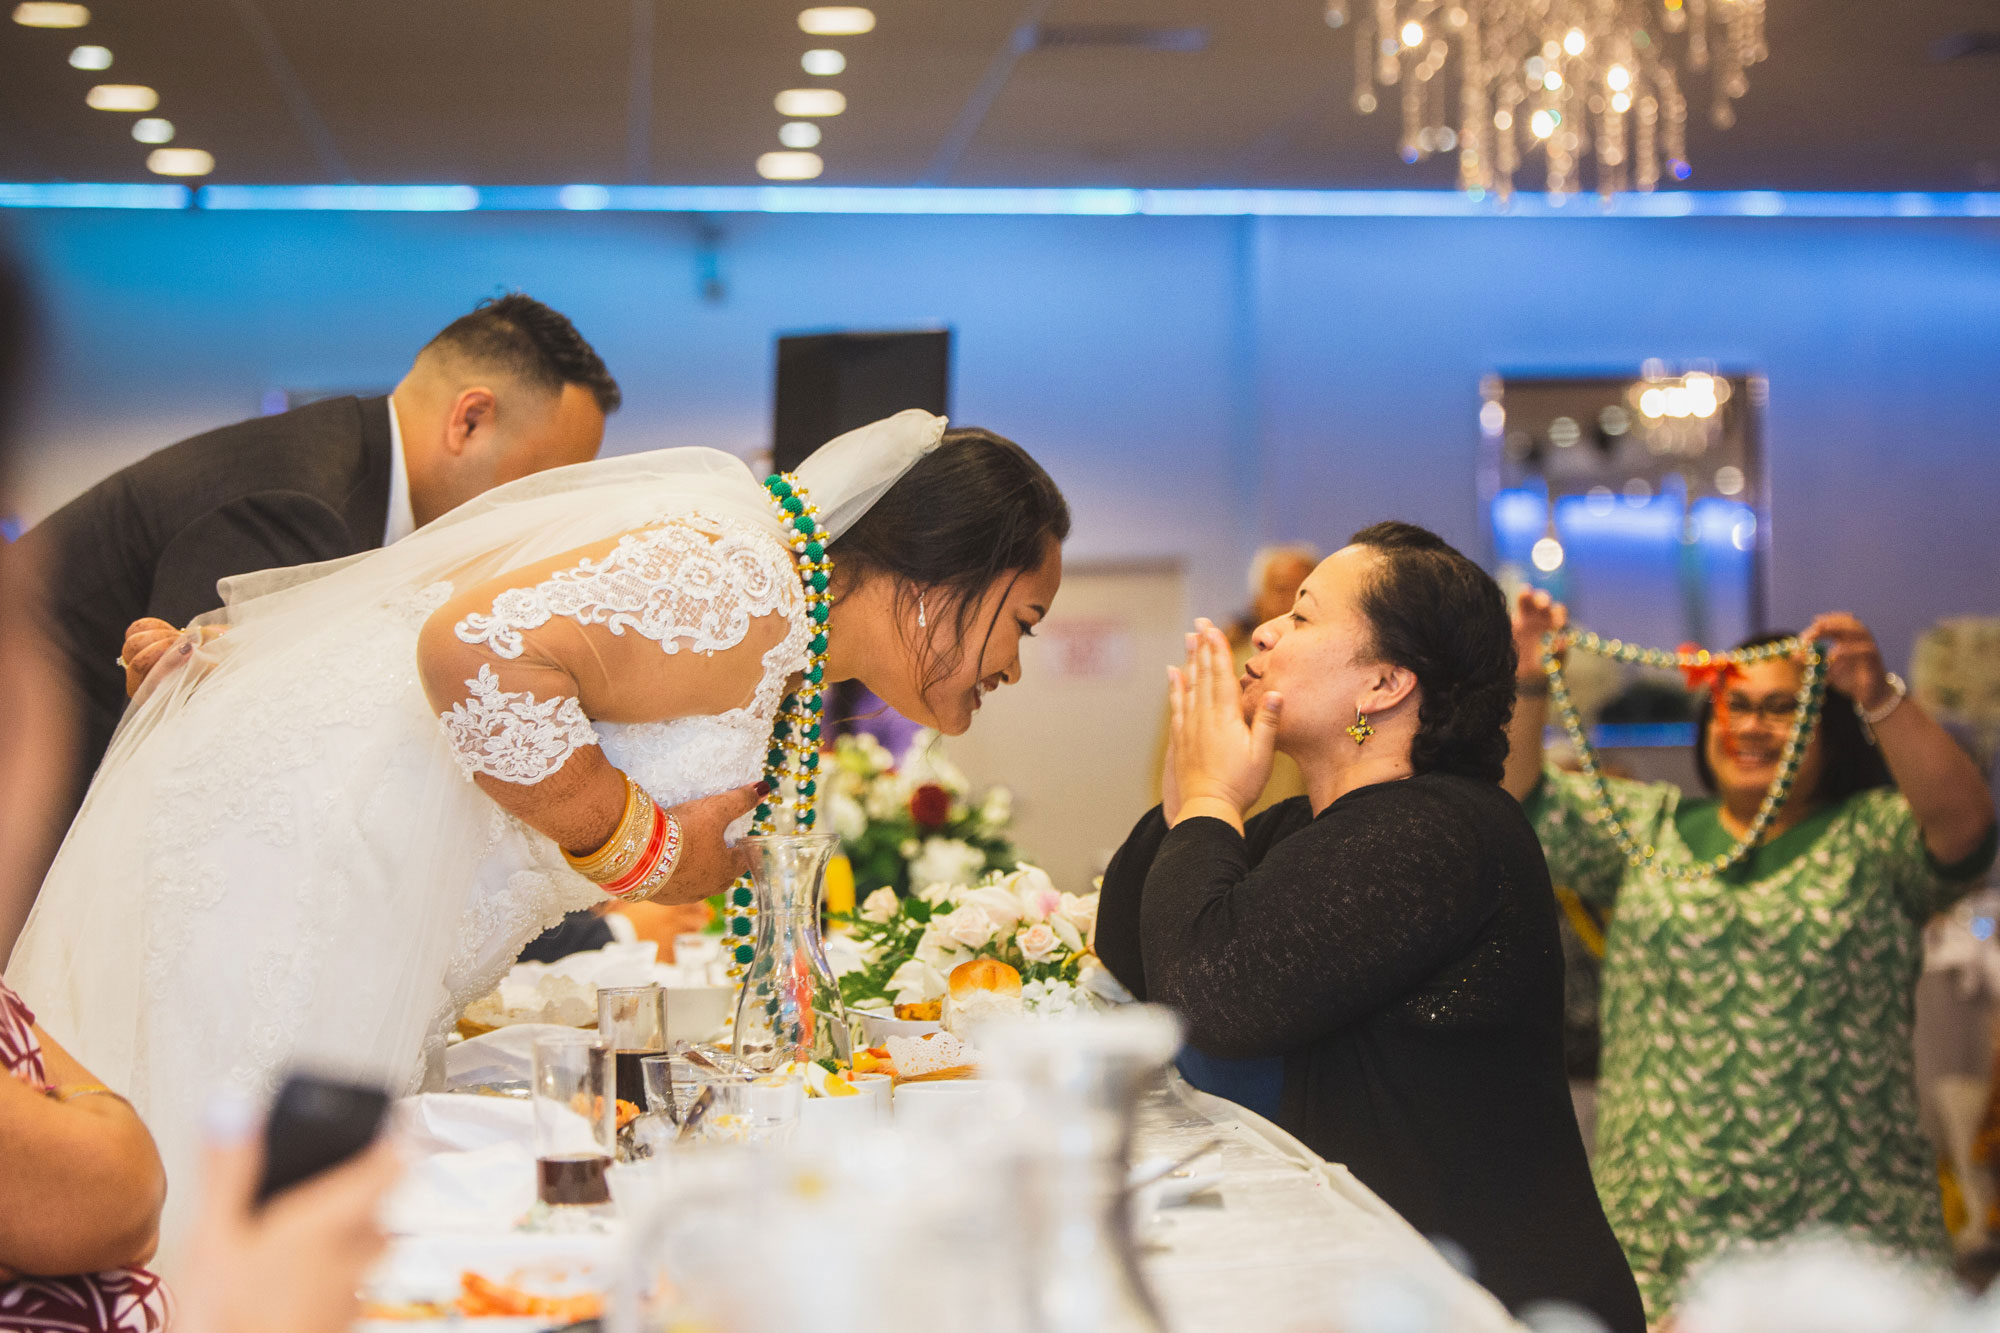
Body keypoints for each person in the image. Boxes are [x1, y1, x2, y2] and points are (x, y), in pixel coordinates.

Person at [8, 409, 1068, 1263]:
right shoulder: (753, 584)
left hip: (382, 909)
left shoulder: (782, 625)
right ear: (945, 568)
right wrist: (642, 848)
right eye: (1020, 620)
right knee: (233, 1216)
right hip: (307, 879)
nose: (1015, 668)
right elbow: (470, 650)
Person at [1094, 522, 1644, 1330]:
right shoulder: (1311, 828)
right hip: (1391, 1282)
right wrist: (1193, 798)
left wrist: (1215, 798)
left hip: (1495, 1302)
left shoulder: (1439, 832)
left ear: (1385, 683)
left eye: (1305, 617)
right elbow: (1140, 961)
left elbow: (1214, 997)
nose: (1268, 629)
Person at [5, 294, 618, 952]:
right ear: (469, 419)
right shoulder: (299, 506)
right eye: (542, 481)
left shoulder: (349, 481)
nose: (536, 518)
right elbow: (227, 803)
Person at [1504, 590, 1998, 1323]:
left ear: (1828, 729)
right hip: (1661, 1244)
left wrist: (1877, 693)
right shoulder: (1649, 830)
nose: (1753, 725)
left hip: (1846, 1247)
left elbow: (1964, 822)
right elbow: (1519, 800)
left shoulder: (1876, 836)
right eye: (1736, 705)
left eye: (1781, 707)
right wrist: (1529, 677)